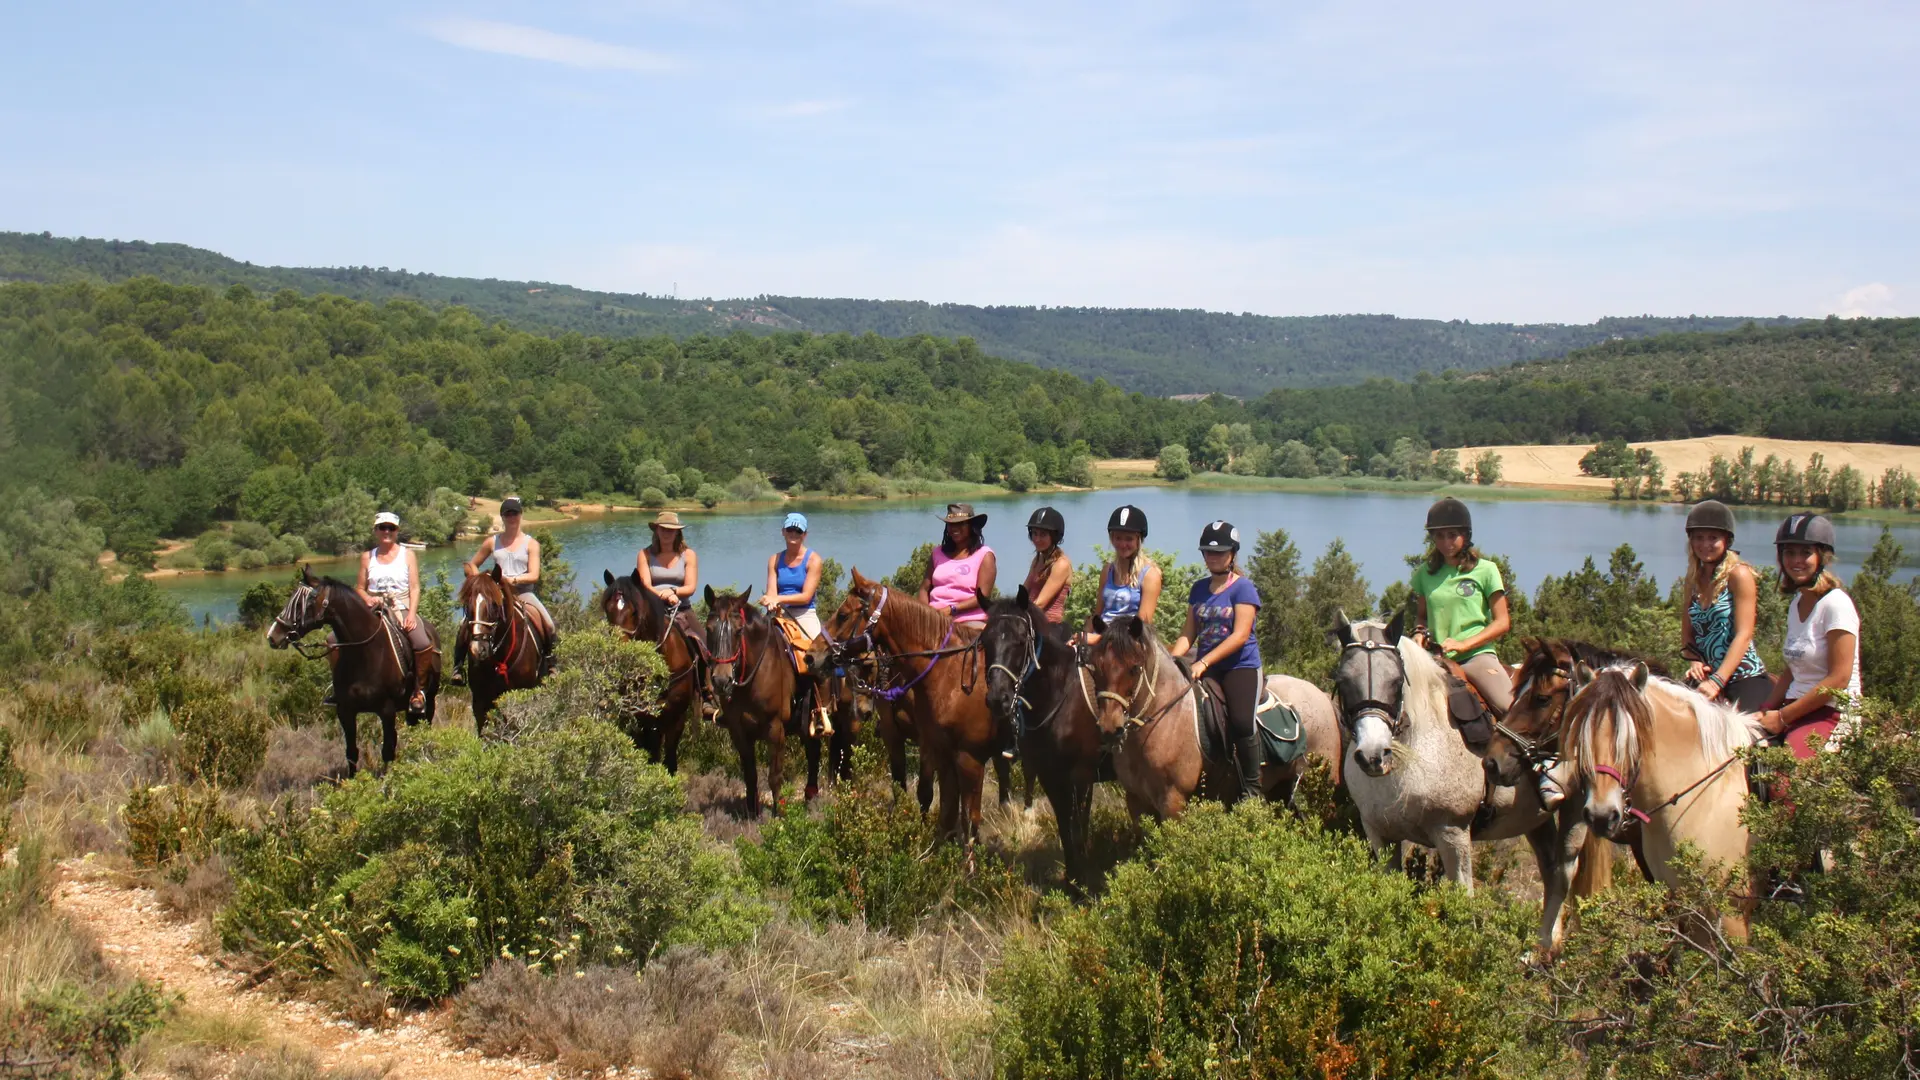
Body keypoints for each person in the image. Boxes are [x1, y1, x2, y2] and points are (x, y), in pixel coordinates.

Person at [1409, 499, 1546, 803]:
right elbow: (1421, 617)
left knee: (1510, 708)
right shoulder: (1424, 574)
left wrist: (1465, 644)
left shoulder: (1486, 571)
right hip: (1435, 660)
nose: (1446, 542)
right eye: (1439, 536)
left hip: (1477, 657)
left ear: (1466, 535)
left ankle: (1545, 774)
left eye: (1452, 535)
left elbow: (1502, 622)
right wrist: (1419, 634)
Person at [1170, 520, 1264, 804]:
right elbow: (1189, 632)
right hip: (1207, 666)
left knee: (1240, 720)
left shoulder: (1243, 589)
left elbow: (1239, 636)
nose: (1213, 557)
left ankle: (1252, 788)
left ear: (1232, 553)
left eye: (1220, 552)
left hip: (1240, 667)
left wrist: (1203, 663)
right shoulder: (1198, 589)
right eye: (1208, 553)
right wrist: (1174, 661)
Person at [1759, 513, 1861, 759]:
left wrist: (1783, 718)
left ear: (1822, 557)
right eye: (1789, 553)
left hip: (1833, 713)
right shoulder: (1797, 603)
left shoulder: (1836, 604)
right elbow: (1793, 669)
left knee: (1787, 776)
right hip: (1797, 708)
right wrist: (1764, 710)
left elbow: (1839, 679)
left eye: (1805, 553)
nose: (1796, 561)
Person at [452, 496, 554, 685]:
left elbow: (534, 575)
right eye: (507, 514)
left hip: (522, 593)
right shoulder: (492, 542)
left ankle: (550, 663)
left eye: (514, 513)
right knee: (466, 624)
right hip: (496, 595)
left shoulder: (531, 544)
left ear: (520, 515)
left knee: (547, 622)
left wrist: (511, 580)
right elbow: (471, 565)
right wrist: (479, 579)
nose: (511, 517)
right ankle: (458, 667)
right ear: (502, 517)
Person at [1680, 500, 1770, 711]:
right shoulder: (1692, 579)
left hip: (1743, 675)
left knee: (1756, 737)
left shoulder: (1739, 575)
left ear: (1727, 540)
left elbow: (1744, 635)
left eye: (1713, 538)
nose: (1705, 544)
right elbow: (1687, 636)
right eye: (1699, 538)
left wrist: (1718, 681)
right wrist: (1694, 661)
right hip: (1706, 674)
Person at [356, 511, 433, 714]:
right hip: (374, 609)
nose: (387, 532)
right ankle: (343, 688)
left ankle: (419, 690)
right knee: (334, 639)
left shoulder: (408, 555)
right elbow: (359, 588)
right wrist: (367, 598)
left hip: (401, 606)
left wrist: (411, 614)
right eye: (382, 527)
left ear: (397, 531)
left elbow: (415, 588)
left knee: (422, 642)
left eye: (391, 528)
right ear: (376, 530)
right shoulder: (367, 557)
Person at [1083, 504, 1161, 643]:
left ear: (1139, 539)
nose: (1122, 544)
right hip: (1101, 637)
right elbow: (1098, 613)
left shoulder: (1150, 574)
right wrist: (1083, 637)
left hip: (1130, 642)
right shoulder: (1108, 570)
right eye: (1118, 538)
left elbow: (1142, 624)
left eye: (1129, 539)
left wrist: (1098, 639)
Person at [922, 503, 996, 624]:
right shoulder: (937, 553)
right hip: (934, 619)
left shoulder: (984, 555)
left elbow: (982, 598)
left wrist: (952, 609)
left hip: (968, 621)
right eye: (951, 524)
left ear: (971, 526)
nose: (954, 528)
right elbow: (924, 589)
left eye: (960, 523)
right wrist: (924, 613)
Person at [760, 511, 825, 639]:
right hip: (779, 613)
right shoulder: (774, 559)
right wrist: (769, 601)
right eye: (790, 529)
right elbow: (772, 593)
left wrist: (778, 599)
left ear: (805, 535)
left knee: (814, 651)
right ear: (783, 531)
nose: (793, 534)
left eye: (798, 531)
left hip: (804, 614)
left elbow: (806, 597)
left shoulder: (814, 560)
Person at [1022, 507, 1073, 627]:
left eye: (1043, 535)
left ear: (1054, 536)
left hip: (1050, 626)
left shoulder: (1061, 564)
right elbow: (1025, 590)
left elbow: (1040, 604)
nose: (1037, 539)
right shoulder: (1038, 559)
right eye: (1034, 533)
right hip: (1032, 622)